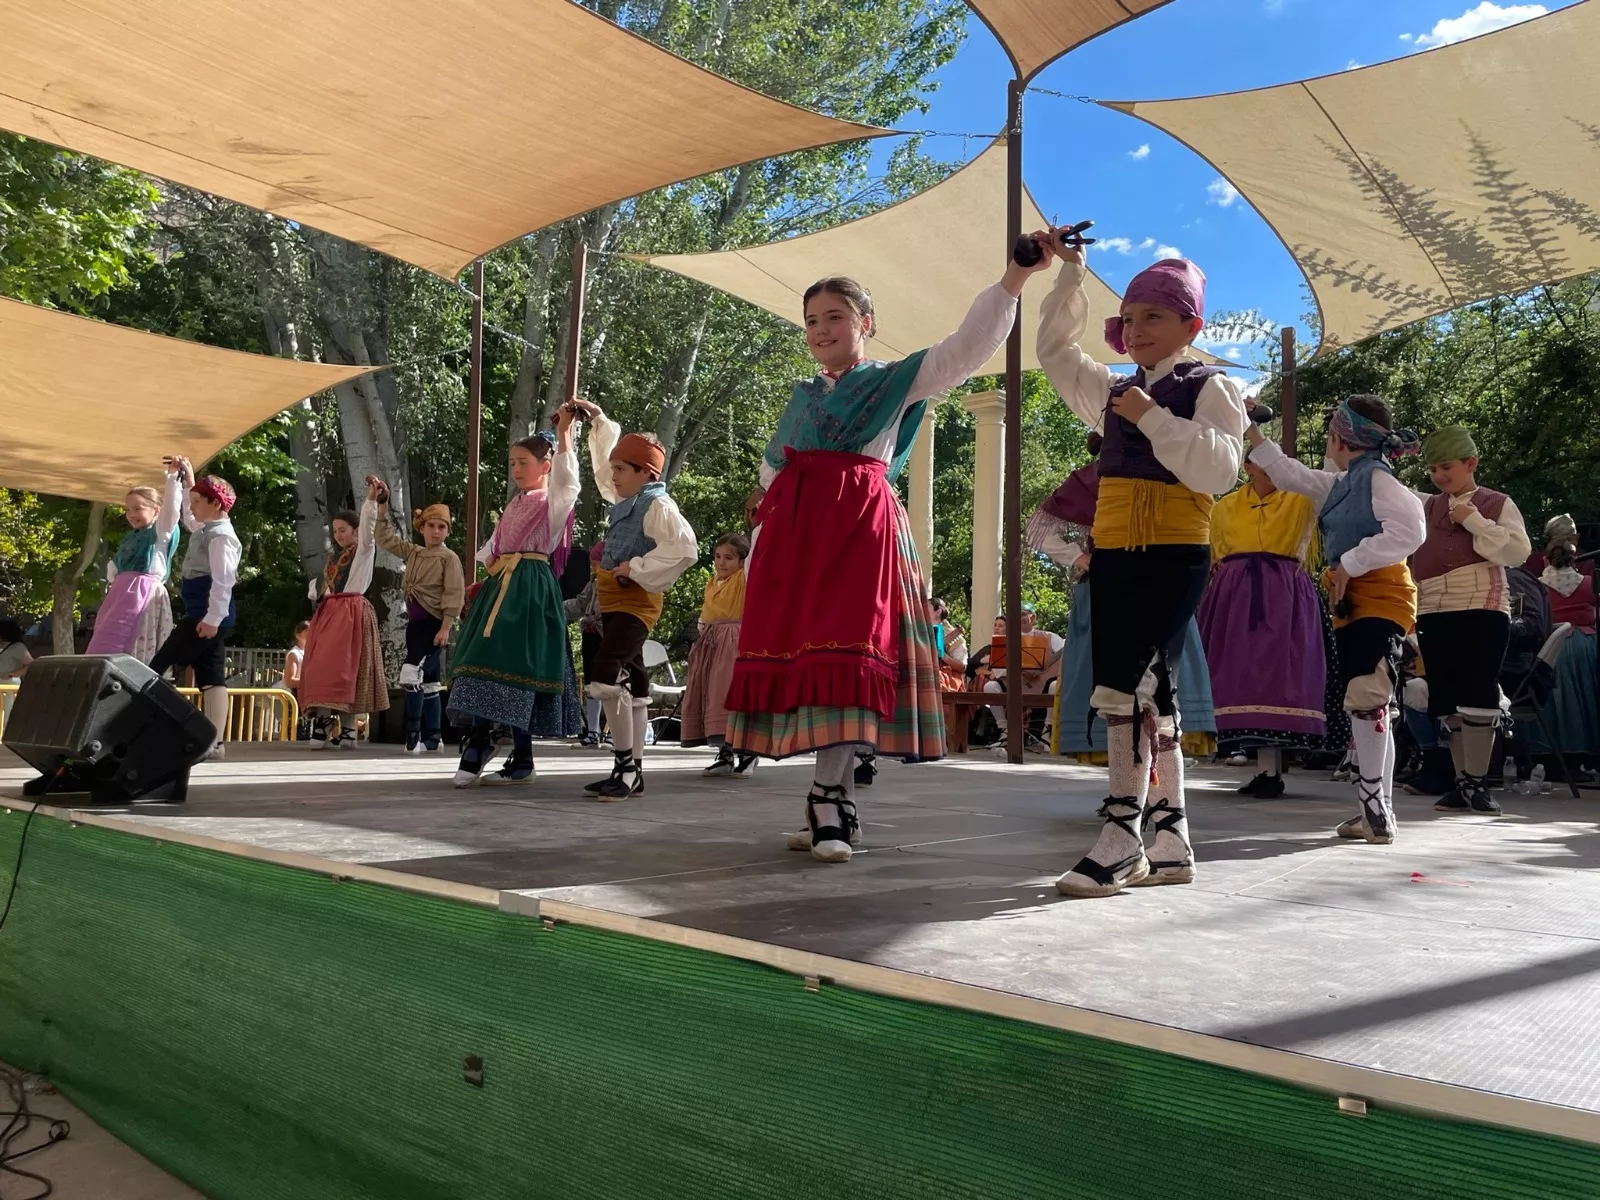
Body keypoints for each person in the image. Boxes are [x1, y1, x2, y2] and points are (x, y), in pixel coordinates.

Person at [728, 250, 1048, 864]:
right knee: (817, 663)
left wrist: (1015, 277)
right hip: (798, 538)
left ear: (865, 322)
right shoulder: (800, 399)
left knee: (850, 658)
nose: (822, 329)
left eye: (836, 316)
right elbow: (772, 474)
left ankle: (827, 797)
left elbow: (967, 346)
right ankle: (836, 802)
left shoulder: (892, 381)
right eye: (812, 320)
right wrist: (761, 554)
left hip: (858, 531)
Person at [1036, 232, 1249, 896]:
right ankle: (1171, 835)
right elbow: (1054, 352)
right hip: (1117, 558)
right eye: (1128, 318)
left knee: (1129, 688)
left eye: (1153, 316)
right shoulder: (1112, 389)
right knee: (1151, 692)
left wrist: (1154, 419)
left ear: (1191, 325)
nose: (1136, 328)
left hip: (1175, 555)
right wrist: (1072, 275)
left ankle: (1122, 830)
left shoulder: (1210, 386)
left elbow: (1220, 470)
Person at [1246, 397, 1427, 844]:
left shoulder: (1378, 482)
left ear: (1341, 438)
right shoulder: (1344, 483)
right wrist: (1249, 430)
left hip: (1382, 593)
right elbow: (1290, 473)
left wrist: (1349, 562)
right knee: (1371, 699)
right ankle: (1375, 808)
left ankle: (1373, 805)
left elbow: (1410, 530)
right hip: (1352, 597)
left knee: (1367, 692)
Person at [445, 411, 582, 785]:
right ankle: (489, 742)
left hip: (530, 589)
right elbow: (493, 548)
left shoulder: (551, 500)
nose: (516, 469)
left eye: (523, 462)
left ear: (545, 465)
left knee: (518, 667)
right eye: (512, 463)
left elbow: (569, 484)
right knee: (483, 659)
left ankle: (504, 752)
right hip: (501, 586)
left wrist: (565, 434)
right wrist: (481, 582)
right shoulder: (516, 502)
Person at [572, 399, 699, 800]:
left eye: (622, 470)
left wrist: (637, 567)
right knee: (635, 679)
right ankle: (634, 772)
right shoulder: (630, 499)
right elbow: (605, 469)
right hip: (615, 600)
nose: (613, 477)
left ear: (647, 473)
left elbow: (684, 548)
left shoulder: (657, 503)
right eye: (615, 468)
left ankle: (625, 768)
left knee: (607, 671)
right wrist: (599, 421)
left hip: (635, 600)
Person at [1409, 426, 1531, 813]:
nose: (1440, 476)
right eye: (1433, 469)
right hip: (1432, 608)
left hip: (1481, 605)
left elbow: (1517, 552)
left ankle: (1477, 783)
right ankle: (1463, 785)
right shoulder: (1425, 506)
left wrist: (1474, 520)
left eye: (1446, 467)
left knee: (1478, 690)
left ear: (1470, 463)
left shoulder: (1496, 503)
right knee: (1445, 697)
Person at [1197, 461, 1325, 798]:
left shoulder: (1302, 500)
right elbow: (1214, 557)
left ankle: (1271, 771)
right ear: (1249, 467)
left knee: (1278, 679)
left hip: (1284, 594)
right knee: (1240, 679)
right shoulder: (1223, 507)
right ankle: (1264, 770)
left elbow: (1333, 485)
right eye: (1261, 463)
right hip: (1234, 596)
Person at [149, 456, 241, 760]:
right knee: (211, 674)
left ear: (215, 504)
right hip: (202, 612)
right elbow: (188, 517)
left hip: (207, 613)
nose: (193, 507)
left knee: (159, 664)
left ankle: (155, 728)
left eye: (198, 501)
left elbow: (223, 580)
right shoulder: (207, 528)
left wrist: (213, 618)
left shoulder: (222, 537)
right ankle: (215, 742)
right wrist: (186, 479)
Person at [372, 491, 466, 753]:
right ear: (422, 528)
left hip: (434, 624)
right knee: (430, 682)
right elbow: (385, 539)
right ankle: (433, 738)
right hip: (415, 625)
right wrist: (382, 508)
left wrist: (446, 627)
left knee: (410, 674)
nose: (436, 531)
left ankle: (413, 735)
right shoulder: (414, 552)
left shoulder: (449, 558)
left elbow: (454, 593)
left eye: (441, 527)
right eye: (431, 526)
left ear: (447, 531)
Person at [299, 501, 388, 748]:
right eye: (335, 531)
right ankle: (326, 720)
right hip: (331, 612)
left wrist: (371, 502)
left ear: (356, 531)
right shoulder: (334, 559)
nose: (338, 535)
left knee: (348, 669)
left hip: (351, 611)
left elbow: (369, 532)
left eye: (343, 530)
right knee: (322, 666)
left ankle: (346, 728)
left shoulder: (363, 551)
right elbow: (318, 587)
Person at [86, 472, 181, 661]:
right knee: (105, 643)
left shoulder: (160, 533)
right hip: (119, 596)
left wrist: (172, 481)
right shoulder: (131, 537)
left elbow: (171, 510)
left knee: (133, 642)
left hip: (141, 593)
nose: (131, 515)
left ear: (156, 510)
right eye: (128, 510)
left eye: (138, 509)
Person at [684, 533, 756, 776]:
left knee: (729, 695)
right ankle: (725, 752)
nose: (721, 562)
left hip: (734, 642)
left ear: (742, 561)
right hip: (711, 643)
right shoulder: (714, 582)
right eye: (717, 556)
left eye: (729, 558)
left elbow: (757, 553)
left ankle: (747, 751)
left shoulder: (743, 579)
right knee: (712, 695)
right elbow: (706, 613)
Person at [1533, 534, 1599, 769]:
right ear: (1575, 560)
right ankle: (1587, 754)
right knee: (1587, 698)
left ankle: (1551, 755)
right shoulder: (1589, 583)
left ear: (1546, 559)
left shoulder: (1538, 585)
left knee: (1556, 700)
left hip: (1553, 643)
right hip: (1585, 645)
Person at [981, 607, 1064, 745]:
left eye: (1024, 614)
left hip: (1042, 684)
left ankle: (1046, 731)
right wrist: (1018, 670)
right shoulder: (1006, 640)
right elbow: (997, 668)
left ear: (1033, 618)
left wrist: (1044, 667)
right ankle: (1005, 730)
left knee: (1056, 686)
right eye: (1017, 615)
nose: (1021, 618)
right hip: (1015, 684)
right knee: (990, 686)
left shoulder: (1050, 637)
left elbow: (1065, 653)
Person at [565, 543, 606, 747]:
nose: (593, 566)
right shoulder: (593, 583)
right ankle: (592, 731)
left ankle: (614, 733)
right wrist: (556, 607)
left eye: (596, 562)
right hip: (590, 636)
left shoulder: (616, 583)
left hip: (606, 637)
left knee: (610, 684)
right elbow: (580, 604)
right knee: (591, 684)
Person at [928, 598, 968, 692]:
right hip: (926, 671)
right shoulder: (919, 633)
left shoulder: (955, 638)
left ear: (938, 612)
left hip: (948, 678)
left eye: (926, 608)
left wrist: (943, 656)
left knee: (935, 677)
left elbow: (962, 667)